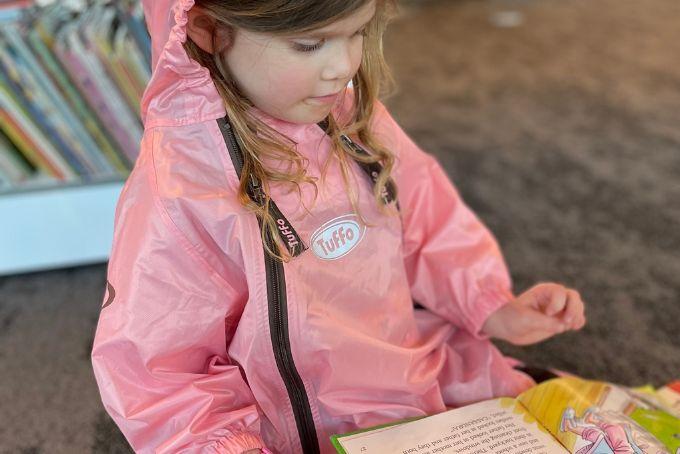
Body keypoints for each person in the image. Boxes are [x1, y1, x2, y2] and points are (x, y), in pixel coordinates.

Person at [90, 0, 586, 452]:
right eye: (310, 44)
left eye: (357, 33)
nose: (343, 66)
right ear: (207, 29)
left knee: (583, 426)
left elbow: (428, 222)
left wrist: (492, 304)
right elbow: (162, 372)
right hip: (298, 429)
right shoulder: (180, 190)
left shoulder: (351, 117)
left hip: (416, 371)